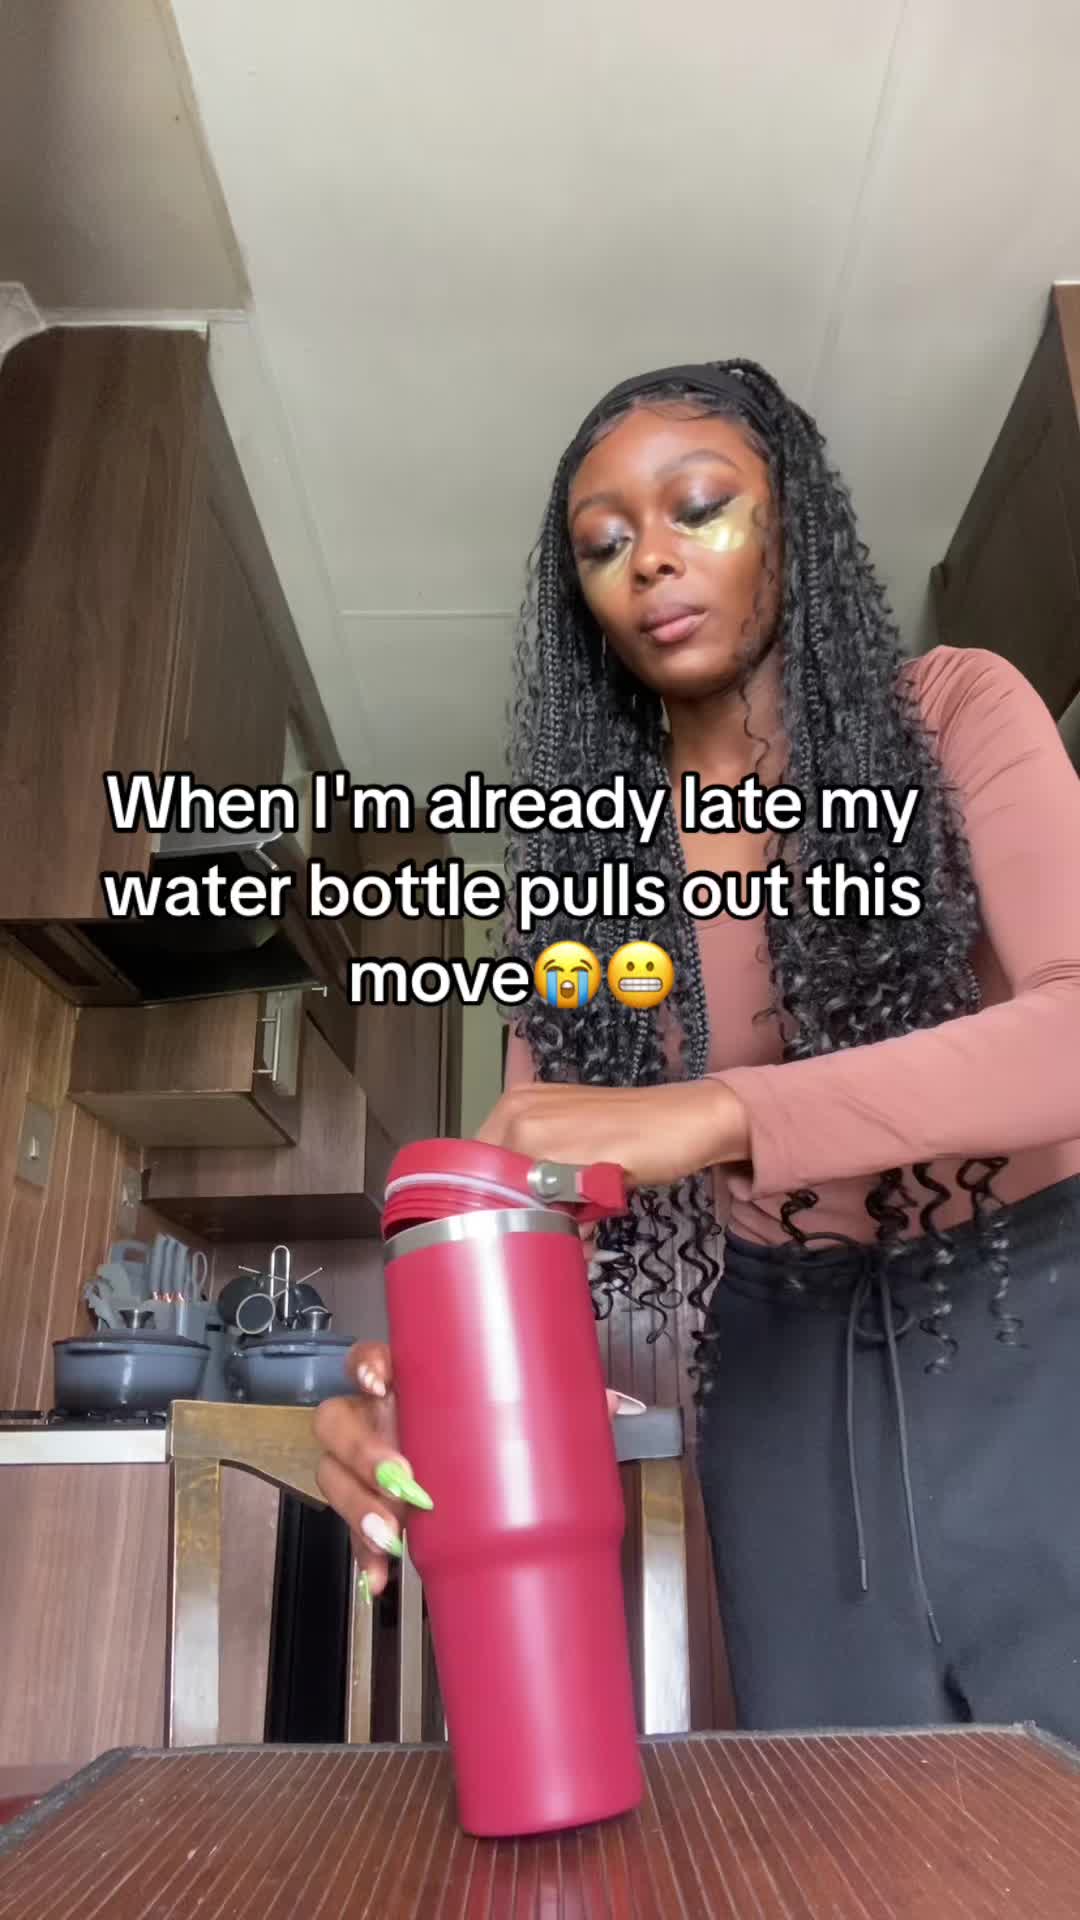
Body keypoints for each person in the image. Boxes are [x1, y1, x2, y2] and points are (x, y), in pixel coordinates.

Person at [315, 358, 1080, 1739]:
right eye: (603, 543)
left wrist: (717, 1110)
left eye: (700, 506)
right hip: (783, 1368)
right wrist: (431, 1385)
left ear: (793, 521)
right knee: (841, 1813)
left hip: (1038, 1307)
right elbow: (529, 1197)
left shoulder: (954, 711)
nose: (650, 558)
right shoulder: (592, 867)